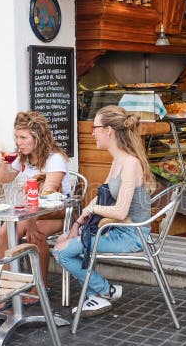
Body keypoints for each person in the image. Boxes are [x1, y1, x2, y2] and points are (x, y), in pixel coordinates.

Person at [53, 105, 155, 317]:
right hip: (117, 230)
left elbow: (119, 211)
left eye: (95, 127)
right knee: (62, 243)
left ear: (109, 130)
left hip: (133, 236)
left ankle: (103, 291)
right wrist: (77, 224)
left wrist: (85, 218)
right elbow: (102, 197)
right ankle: (99, 295)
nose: (92, 133)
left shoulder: (130, 163)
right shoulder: (118, 160)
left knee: (62, 251)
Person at [0, 111, 70, 299]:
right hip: (30, 211)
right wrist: (5, 163)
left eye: (23, 137)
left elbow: (49, 193)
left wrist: (30, 220)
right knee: (4, 233)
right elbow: (3, 179)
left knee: (35, 234)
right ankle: (6, 287)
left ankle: (40, 286)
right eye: (16, 137)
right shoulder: (22, 157)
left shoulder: (55, 159)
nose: (18, 142)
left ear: (38, 137)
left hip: (58, 212)